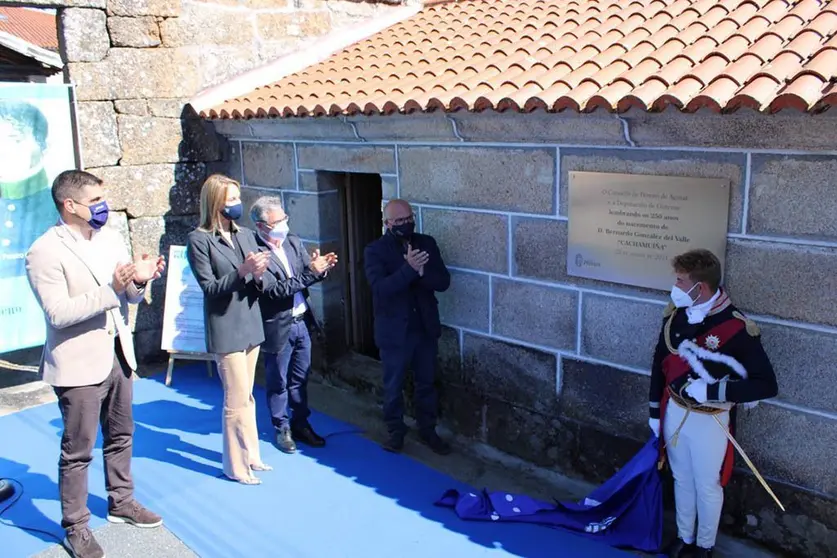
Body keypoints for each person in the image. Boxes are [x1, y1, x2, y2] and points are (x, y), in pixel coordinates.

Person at [25, 170, 166, 558]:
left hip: (118, 354)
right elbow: (58, 313)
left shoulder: (109, 238)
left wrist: (140, 280)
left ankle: (122, 501)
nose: (103, 208)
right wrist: (113, 290)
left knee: (122, 435)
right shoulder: (44, 251)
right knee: (78, 451)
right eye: (95, 202)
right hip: (78, 365)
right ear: (69, 206)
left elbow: (130, 298)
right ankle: (76, 526)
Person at [648, 249, 778, 558]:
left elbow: (766, 384)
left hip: (711, 419)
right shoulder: (676, 315)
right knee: (680, 478)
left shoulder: (737, 328)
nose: (675, 287)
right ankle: (684, 538)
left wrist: (713, 391)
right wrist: (654, 411)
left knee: (707, 485)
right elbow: (659, 363)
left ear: (700, 286)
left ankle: (704, 547)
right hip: (675, 412)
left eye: (680, 281)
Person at [186, 174, 277, 485]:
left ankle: (251, 454)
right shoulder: (199, 240)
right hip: (225, 326)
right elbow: (210, 288)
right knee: (235, 398)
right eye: (231, 200)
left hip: (250, 322)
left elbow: (263, 281)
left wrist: (260, 272)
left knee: (247, 395)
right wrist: (242, 272)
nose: (237, 205)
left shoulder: (247, 235)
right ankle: (235, 466)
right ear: (215, 203)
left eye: (239, 198)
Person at [249, 196, 338, 453]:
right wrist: (310, 273)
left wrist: (320, 269)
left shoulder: (293, 242)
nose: (284, 225)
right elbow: (275, 290)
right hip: (277, 326)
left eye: (285, 218)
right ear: (261, 226)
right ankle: (282, 427)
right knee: (278, 381)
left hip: (302, 323)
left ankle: (301, 422)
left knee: (300, 377)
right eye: (278, 221)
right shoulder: (255, 253)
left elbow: (304, 277)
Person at [363, 199, 452, 454]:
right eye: (399, 221)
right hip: (394, 332)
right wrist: (410, 269)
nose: (405, 224)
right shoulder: (375, 251)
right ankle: (395, 431)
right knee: (393, 386)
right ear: (387, 223)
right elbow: (381, 288)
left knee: (426, 383)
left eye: (409, 218)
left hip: (424, 328)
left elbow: (443, 282)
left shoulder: (427, 243)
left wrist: (422, 273)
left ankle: (428, 430)